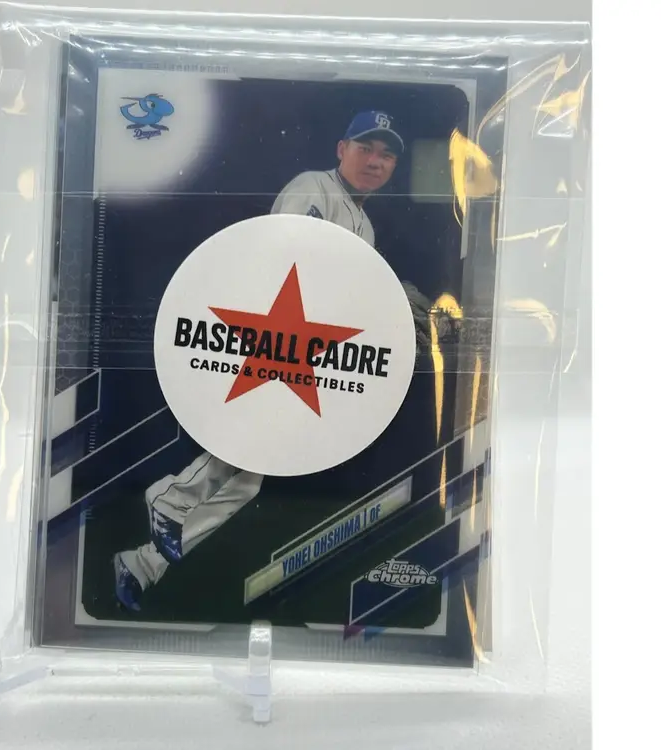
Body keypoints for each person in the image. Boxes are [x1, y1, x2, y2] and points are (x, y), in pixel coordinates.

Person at [113, 110, 430, 611]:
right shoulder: (313, 187)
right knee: (247, 445)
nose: (375, 161)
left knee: (248, 478)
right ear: (342, 149)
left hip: (301, 345)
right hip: (260, 329)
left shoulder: (364, 225)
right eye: (366, 148)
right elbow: (288, 262)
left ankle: (143, 562)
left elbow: (340, 294)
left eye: (386, 154)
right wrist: (380, 290)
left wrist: (382, 303)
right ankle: (168, 499)